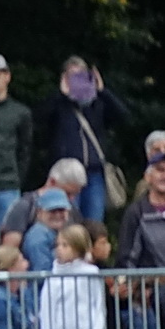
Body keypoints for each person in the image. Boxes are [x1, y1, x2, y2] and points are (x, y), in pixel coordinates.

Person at [36, 56, 127, 222]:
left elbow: (123, 117)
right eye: (72, 76)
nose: (77, 81)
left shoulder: (97, 104)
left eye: (81, 76)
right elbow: (39, 119)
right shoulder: (58, 104)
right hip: (66, 175)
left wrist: (102, 91)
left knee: (94, 222)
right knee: (68, 223)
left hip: (93, 172)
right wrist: (61, 95)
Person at [118, 154, 165, 269]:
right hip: (152, 285)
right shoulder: (137, 213)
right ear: (147, 177)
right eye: (160, 170)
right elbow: (126, 259)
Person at [22, 189, 71, 272]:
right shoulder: (38, 236)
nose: (58, 215)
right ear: (39, 212)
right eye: (52, 211)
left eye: (61, 210)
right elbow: (42, 272)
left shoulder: (60, 232)